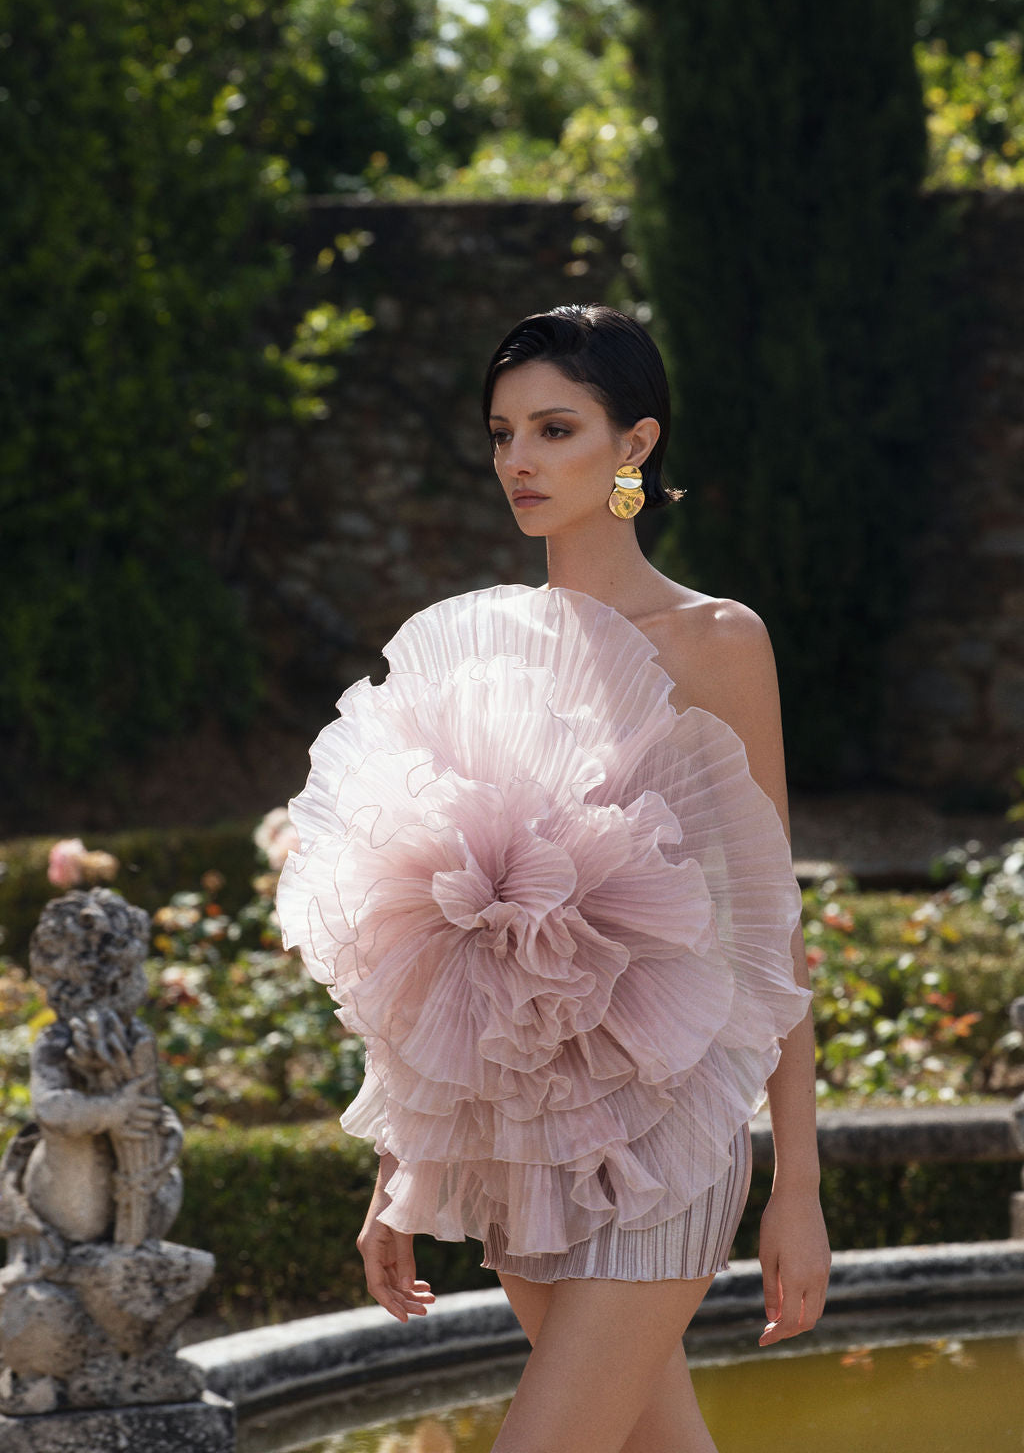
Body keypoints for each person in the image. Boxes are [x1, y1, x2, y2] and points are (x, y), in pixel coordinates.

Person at [278, 303, 831, 1453]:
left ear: (633, 445)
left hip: (671, 1138)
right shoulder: (479, 651)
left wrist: (798, 1193)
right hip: (511, 1150)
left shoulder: (716, 642)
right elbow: (435, 950)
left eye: (553, 430)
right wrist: (397, 1169)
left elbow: (771, 929)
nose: (518, 461)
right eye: (500, 434)